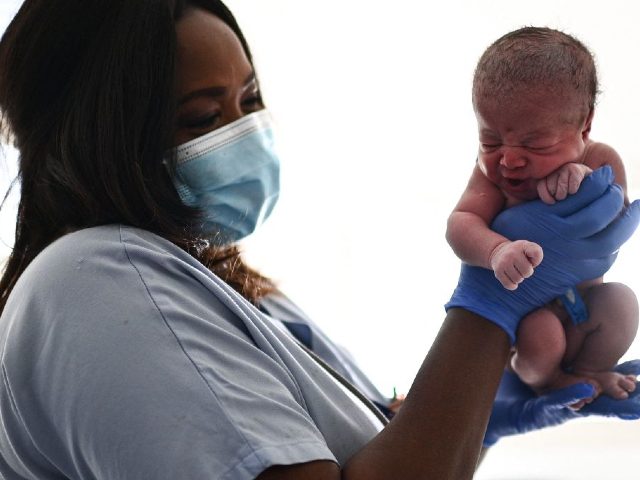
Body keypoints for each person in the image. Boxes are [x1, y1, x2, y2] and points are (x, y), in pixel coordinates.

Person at [0, 2, 638, 478]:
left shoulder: (239, 296)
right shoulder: (97, 283)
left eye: (250, 98)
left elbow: (389, 452)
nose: (246, 131)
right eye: (202, 116)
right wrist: (490, 305)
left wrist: (483, 408)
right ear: (97, 134)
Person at [446, 27, 639, 408]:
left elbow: (615, 215)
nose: (510, 159)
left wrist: (586, 181)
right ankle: (550, 382)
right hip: (529, 314)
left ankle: (590, 368)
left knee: (622, 302)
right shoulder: (490, 176)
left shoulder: (600, 158)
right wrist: (497, 250)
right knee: (543, 335)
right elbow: (460, 223)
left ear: (584, 124)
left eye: (536, 144)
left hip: (585, 305)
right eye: (491, 141)